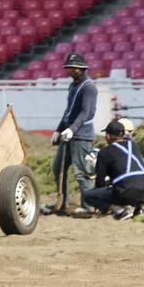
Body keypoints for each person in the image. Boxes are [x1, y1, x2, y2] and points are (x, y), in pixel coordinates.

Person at [43, 52, 98, 217]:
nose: (69, 71)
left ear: (81, 68)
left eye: (73, 68)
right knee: (58, 167)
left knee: (82, 171)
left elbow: (85, 113)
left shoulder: (89, 87)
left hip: (81, 135)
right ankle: (62, 202)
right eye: (68, 68)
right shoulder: (73, 85)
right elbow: (69, 111)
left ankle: (88, 205)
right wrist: (58, 130)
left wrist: (72, 130)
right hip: (68, 134)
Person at [82, 120, 144, 221]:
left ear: (108, 136)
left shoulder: (104, 152)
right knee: (129, 183)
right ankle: (138, 208)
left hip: (125, 191)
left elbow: (100, 181)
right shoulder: (134, 145)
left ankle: (119, 210)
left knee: (88, 196)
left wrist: (101, 200)